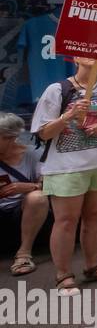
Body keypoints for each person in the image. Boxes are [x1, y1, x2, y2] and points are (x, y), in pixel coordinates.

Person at [30, 57, 97, 292]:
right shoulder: (57, 90)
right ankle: (63, 275)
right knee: (66, 221)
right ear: (75, 57)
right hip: (68, 166)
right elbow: (43, 133)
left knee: (96, 216)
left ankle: (93, 266)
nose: (93, 56)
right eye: (85, 51)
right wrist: (67, 116)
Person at [0, 112, 46, 277]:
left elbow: (50, 183)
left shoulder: (33, 154)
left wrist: (29, 186)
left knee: (37, 197)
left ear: (9, 138)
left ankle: (24, 255)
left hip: (23, 211)